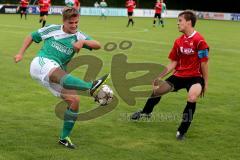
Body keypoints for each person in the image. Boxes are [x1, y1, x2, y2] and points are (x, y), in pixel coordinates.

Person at [14, 7, 110, 149]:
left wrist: (83, 43)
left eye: (76, 22)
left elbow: (97, 45)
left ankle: (64, 138)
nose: (74, 25)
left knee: (74, 101)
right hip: (41, 63)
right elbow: (32, 36)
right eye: (71, 23)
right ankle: (91, 87)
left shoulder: (79, 36)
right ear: (64, 21)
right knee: (56, 71)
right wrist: (20, 53)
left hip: (55, 73)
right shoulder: (52, 29)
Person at [131, 10, 209, 141]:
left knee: (192, 97)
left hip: (195, 77)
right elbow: (173, 62)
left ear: (188, 22)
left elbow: (204, 63)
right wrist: (159, 76)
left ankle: (181, 132)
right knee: (157, 91)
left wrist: (205, 82)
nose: (177, 23)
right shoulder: (178, 42)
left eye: (180, 21)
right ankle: (146, 112)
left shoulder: (199, 41)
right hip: (179, 75)